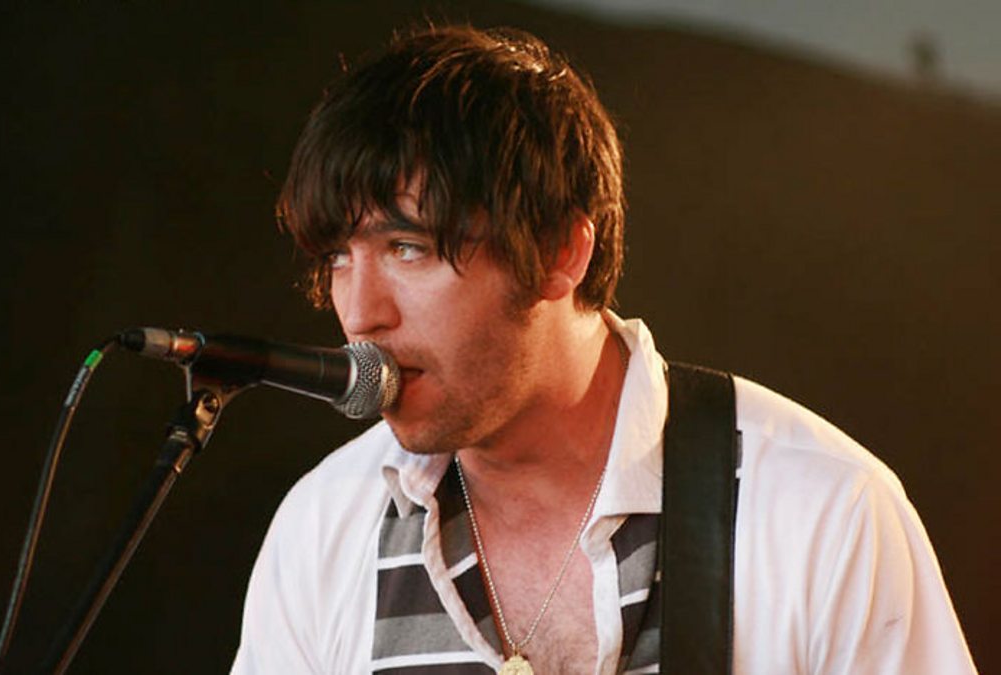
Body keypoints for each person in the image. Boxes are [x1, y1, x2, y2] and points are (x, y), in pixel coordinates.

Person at [230, 24, 976, 674]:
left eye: (407, 248)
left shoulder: (822, 510)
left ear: (561, 252)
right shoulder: (324, 526)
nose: (360, 313)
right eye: (338, 258)